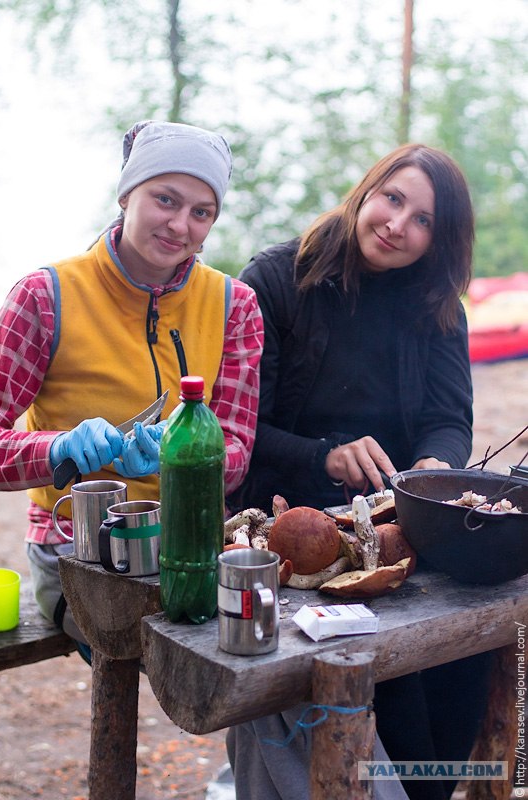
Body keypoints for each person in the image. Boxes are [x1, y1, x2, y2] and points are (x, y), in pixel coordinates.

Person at [227, 143, 490, 800]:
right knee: (389, 692)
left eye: (423, 220)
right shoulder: (275, 280)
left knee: (466, 661)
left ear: (440, 240)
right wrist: (324, 454)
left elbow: (447, 416)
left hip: (397, 523)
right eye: (392, 199)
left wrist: (433, 467)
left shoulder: (437, 304)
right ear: (365, 192)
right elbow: (239, 429)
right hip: (293, 535)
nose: (397, 224)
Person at [0, 120, 263, 648]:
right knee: (183, 650)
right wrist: (57, 449)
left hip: (197, 544)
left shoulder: (235, 306)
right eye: (166, 199)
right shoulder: (44, 298)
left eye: (201, 212)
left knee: (260, 647)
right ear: (126, 195)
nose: (180, 226)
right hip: (77, 551)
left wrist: (180, 453)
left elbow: (235, 450)